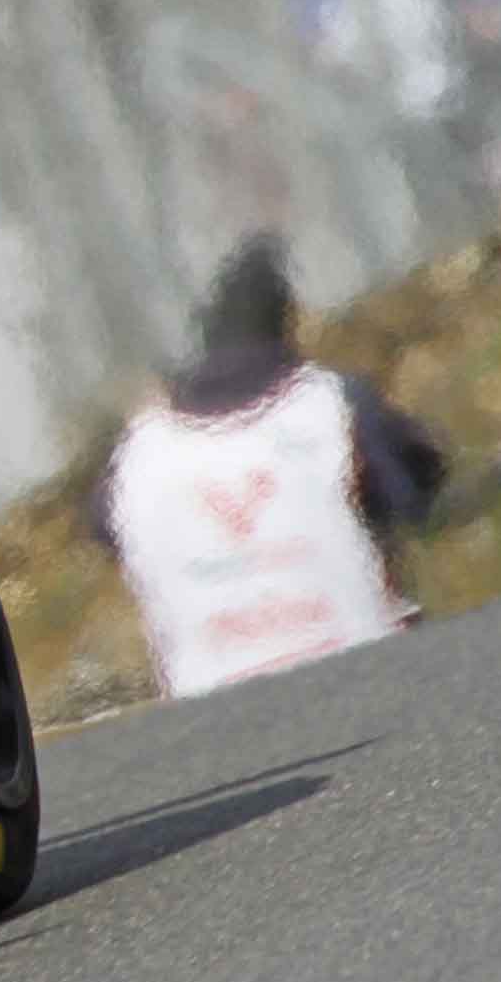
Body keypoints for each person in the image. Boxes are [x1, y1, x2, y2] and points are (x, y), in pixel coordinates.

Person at [95, 237, 448, 701]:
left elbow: (106, 531)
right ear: (287, 321)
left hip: (203, 700)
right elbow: (413, 492)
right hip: (360, 665)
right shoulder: (331, 402)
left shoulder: (141, 445)